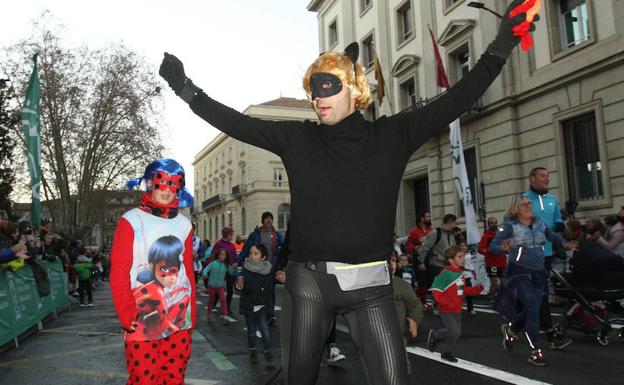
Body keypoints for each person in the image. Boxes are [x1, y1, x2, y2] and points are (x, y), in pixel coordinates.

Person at [160, 2, 537, 382]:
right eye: (313, 90)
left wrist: (501, 45)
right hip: (309, 285)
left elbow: (456, 98)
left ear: (354, 90)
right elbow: (237, 123)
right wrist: (185, 88)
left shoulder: (391, 136)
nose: (318, 98)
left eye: (328, 87)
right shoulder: (297, 139)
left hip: (371, 289)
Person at [109, 158, 196, 385]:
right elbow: (119, 271)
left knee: (175, 378)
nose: (167, 190)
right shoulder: (130, 221)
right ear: (149, 183)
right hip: (141, 317)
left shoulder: (185, 224)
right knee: (144, 380)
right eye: (162, 183)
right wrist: (126, 314)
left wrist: (191, 312)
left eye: (173, 184)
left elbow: (188, 272)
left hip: (179, 317)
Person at [490, 195, 576, 367]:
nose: (529, 205)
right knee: (531, 306)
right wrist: (501, 249)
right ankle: (535, 351)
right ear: (516, 208)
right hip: (519, 271)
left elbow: (552, 235)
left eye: (529, 203)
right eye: (525, 204)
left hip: (538, 271)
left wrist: (564, 244)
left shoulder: (539, 223)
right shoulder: (509, 226)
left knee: (533, 308)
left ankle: (512, 330)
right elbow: (493, 246)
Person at [523, 167, 572, 349]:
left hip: (548, 252)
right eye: (543, 176)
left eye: (548, 176)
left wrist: (560, 226)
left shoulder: (552, 200)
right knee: (541, 293)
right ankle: (551, 335)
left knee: (537, 294)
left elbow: (557, 221)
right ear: (532, 178)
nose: (546, 179)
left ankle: (514, 326)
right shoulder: (523, 199)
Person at [427, 246, 483, 362]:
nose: (463, 259)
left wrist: (477, 289)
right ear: (451, 260)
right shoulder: (445, 273)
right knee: (454, 331)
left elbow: (461, 291)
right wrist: (446, 303)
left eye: (463, 256)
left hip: (457, 308)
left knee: (456, 334)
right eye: (460, 257)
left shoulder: (460, 273)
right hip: (446, 309)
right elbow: (436, 290)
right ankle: (435, 335)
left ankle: (446, 353)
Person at [238, 211, 283, 324]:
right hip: (256, 267)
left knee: (270, 291)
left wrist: (279, 262)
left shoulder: (277, 235)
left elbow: (283, 248)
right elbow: (247, 248)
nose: (269, 220)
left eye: (270, 218)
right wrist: (238, 260)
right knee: (256, 290)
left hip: (270, 267)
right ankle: (256, 312)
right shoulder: (256, 235)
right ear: (262, 221)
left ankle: (270, 315)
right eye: (266, 218)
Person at [236, 244, 274, 365]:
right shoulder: (246, 269)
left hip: (262, 306)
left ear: (263, 257)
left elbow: (270, 287)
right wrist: (239, 284)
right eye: (251, 253)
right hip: (250, 305)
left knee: (265, 331)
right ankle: (253, 350)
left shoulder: (268, 270)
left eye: (256, 253)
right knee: (252, 331)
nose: (252, 255)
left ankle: (267, 351)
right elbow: (239, 286)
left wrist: (280, 278)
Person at [417, 214, 458, 313]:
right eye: (454, 222)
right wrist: (421, 262)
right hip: (436, 264)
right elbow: (424, 248)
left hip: (449, 265)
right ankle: (437, 305)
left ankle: (441, 304)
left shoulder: (451, 235)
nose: (455, 225)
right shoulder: (435, 233)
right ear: (450, 222)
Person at [390, 252, 422, 374]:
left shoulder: (402, 285)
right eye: (386, 262)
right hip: (376, 333)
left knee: (402, 367)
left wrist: (415, 319)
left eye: (392, 261)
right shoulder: (371, 285)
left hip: (397, 331)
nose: (390, 265)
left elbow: (415, 304)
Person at [203, 248, 237, 324]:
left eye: (223, 254)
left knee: (223, 300)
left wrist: (234, 269)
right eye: (220, 254)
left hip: (220, 286)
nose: (221, 256)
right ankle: (209, 313)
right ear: (218, 255)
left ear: (226, 256)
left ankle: (225, 316)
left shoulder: (226, 265)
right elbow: (205, 269)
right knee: (211, 300)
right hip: (211, 285)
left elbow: (232, 273)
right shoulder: (213, 263)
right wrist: (204, 274)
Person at [406, 211, 433, 307]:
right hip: (419, 258)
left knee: (430, 281)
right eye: (427, 216)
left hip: (431, 258)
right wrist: (415, 247)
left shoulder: (431, 230)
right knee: (422, 281)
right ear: (422, 219)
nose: (429, 218)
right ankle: (422, 302)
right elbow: (408, 245)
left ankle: (415, 297)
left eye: (429, 216)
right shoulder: (414, 232)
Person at [478, 217, 507, 304]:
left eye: (495, 222)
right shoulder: (485, 236)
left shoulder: (501, 235)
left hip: (502, 262)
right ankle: (491, 296)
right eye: (492, 223)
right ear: (488, 224)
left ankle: (498, 297)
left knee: (504, 282)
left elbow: (506, 246)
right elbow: (480, 249)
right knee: (494, 283)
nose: (494, 224)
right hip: (491, 263)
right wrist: (489, 251)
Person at [210, 227, 237, 314]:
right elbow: (213, 256)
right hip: (220, 270)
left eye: (232, 234)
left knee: (230, 289)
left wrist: (235, 263)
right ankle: (214, 302)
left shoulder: (232, 245)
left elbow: (235, 256)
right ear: (226, 234)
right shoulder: (218, 244)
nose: (231, 236)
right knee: (218, 287)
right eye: (230, 234)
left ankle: (228, 307)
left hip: (229, 270)